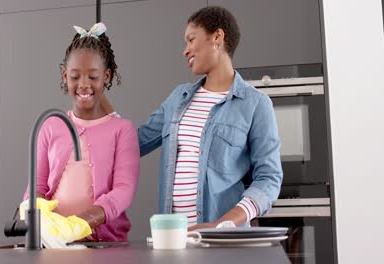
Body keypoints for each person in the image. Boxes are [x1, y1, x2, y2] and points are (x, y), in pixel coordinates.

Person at [103, 6, 282, 230]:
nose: (185, 51)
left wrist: (220, 225)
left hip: (224, 243)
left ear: (217, 37)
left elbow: (269, 179)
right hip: (174, 240)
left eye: (191, 40)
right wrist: (96, 88)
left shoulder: (255, 104)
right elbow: (131, 143)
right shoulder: (179, 98)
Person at [23, 22, 140, 243]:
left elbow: (124, 190)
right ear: (64, 76)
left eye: (93, 77)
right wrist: (40, 219)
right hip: (53, 242)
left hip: (102, 243)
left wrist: (82, 223)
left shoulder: (122, 130)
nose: (84, 84)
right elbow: (36, 187)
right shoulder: (50, 125)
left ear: (106, 76)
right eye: (75, 76)